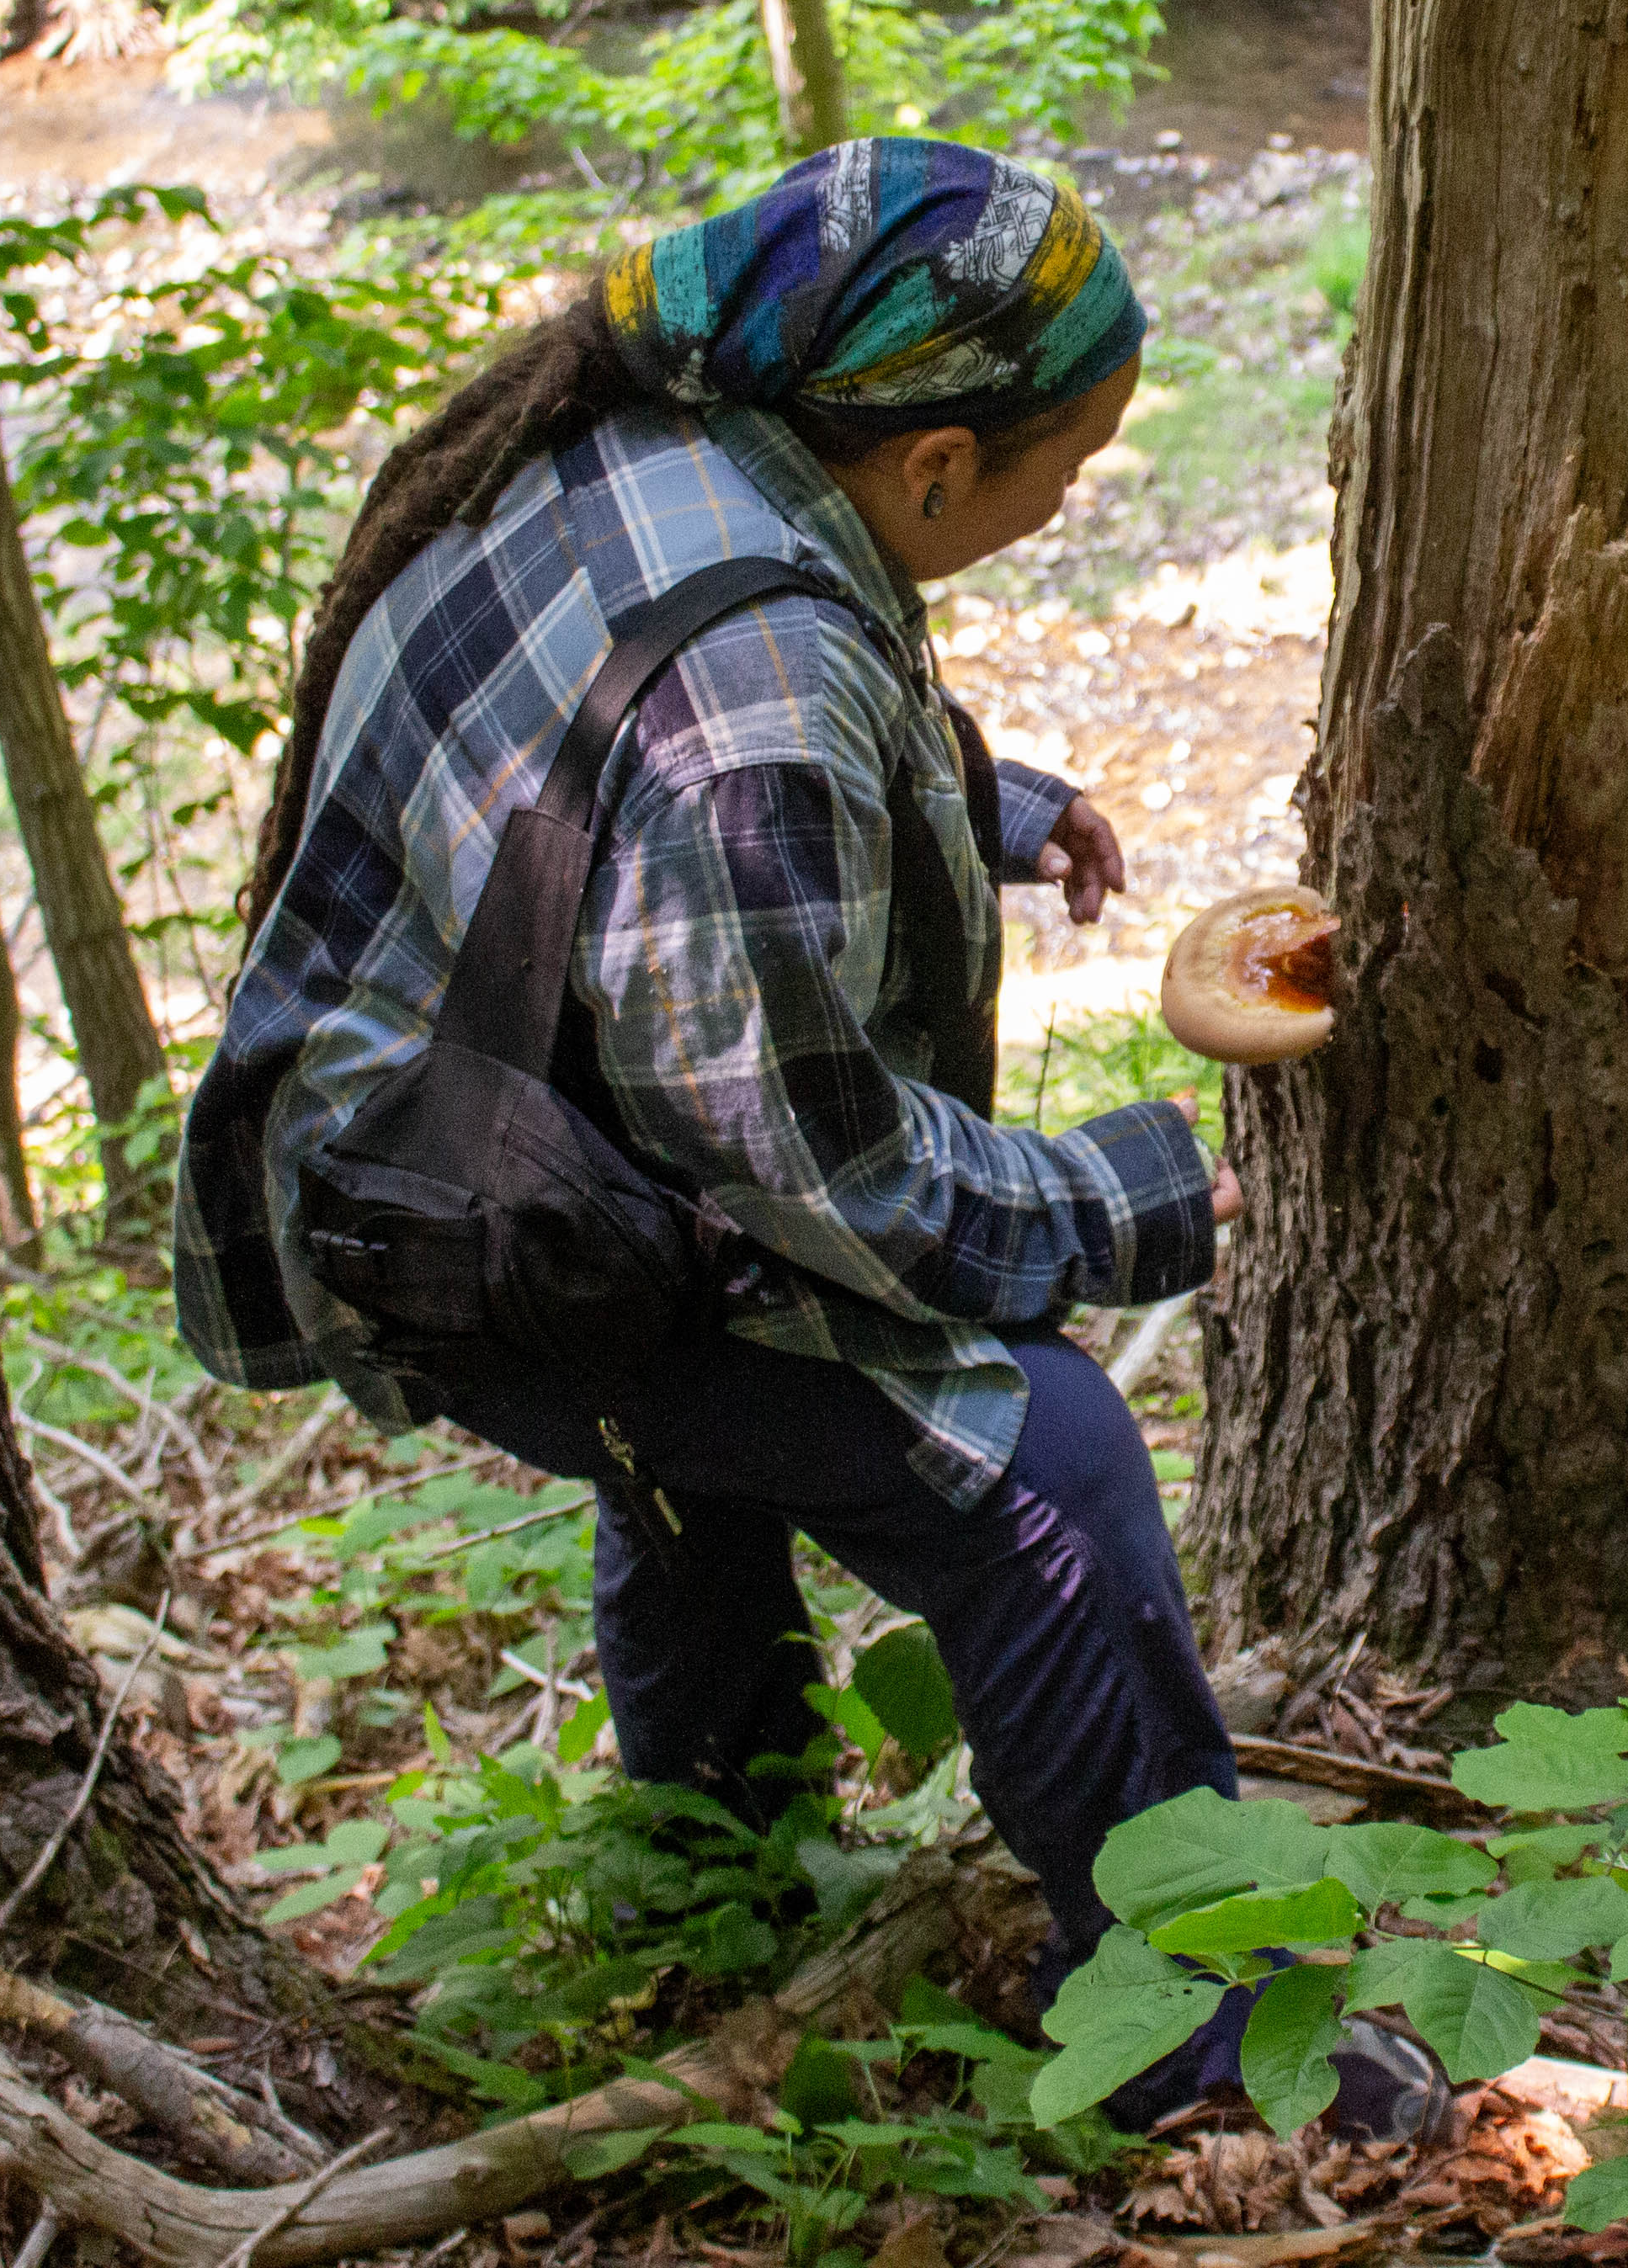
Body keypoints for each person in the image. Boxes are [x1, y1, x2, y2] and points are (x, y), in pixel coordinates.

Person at [174, 136, 1433, 2135]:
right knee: (1045, 1461)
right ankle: (1194, 2041)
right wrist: (1147, 1193)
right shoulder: (761, 692)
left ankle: (715, 1856)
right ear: (932, 466)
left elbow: (632, 806)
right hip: (491, 1242)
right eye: (1067, 470)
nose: (1073, 498)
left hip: (486, 1143)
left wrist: (983, 802)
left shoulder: (638, 453)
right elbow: (823, 1174)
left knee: (709, 1443)